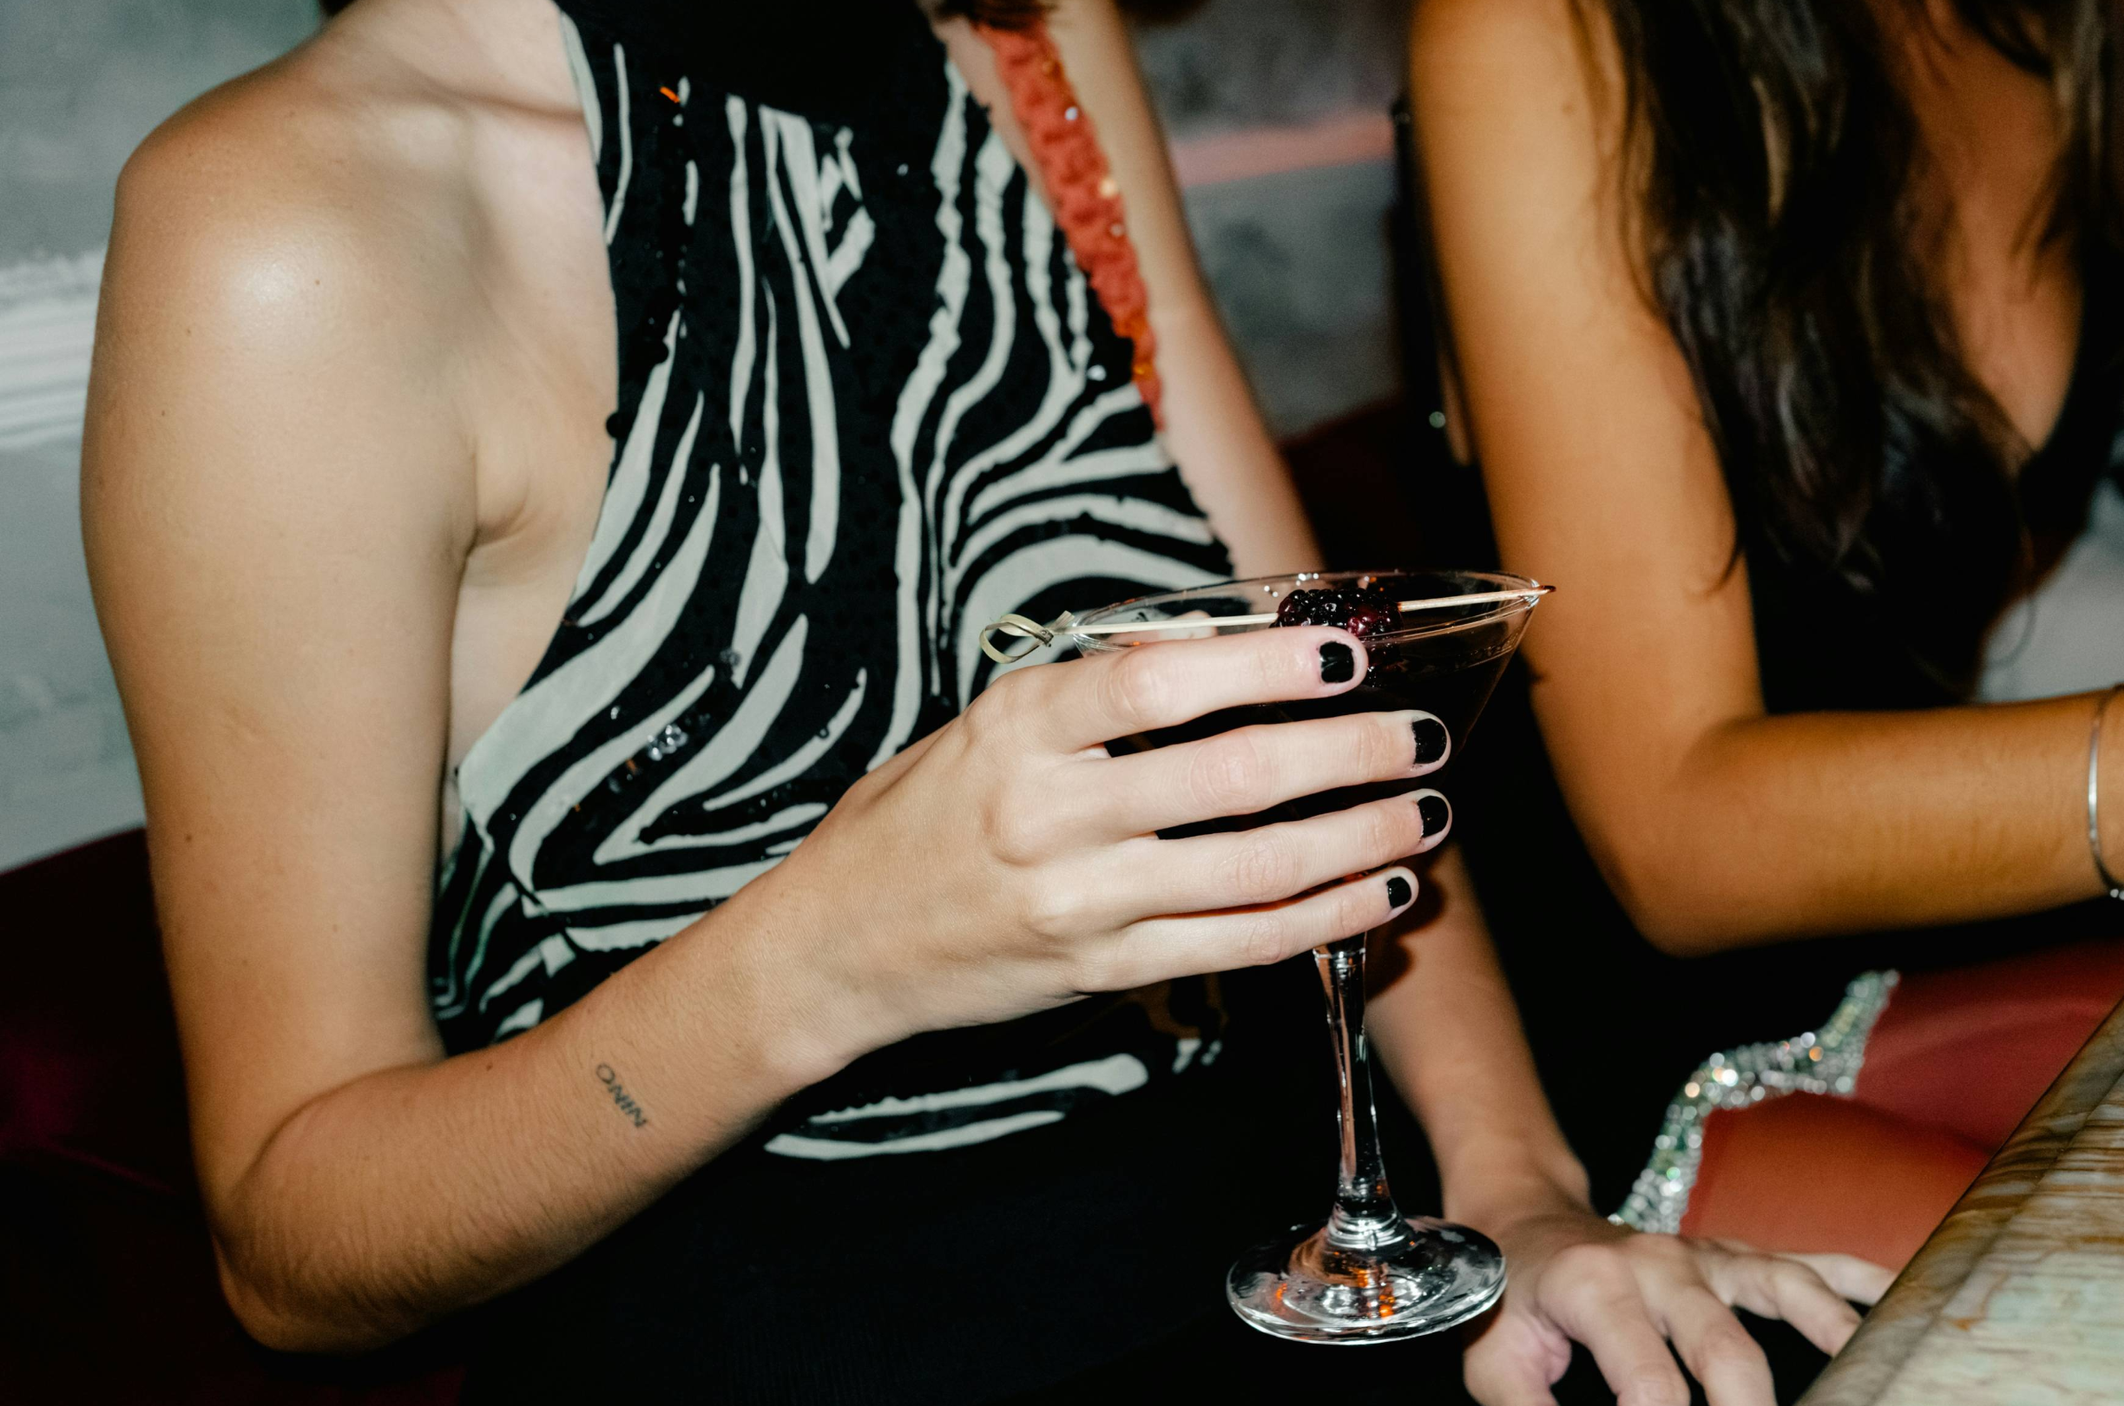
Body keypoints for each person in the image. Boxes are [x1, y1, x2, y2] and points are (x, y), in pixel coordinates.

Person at [81, 0, 1883, 1401]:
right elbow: (289, 1239)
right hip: (791, 1361)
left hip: (1280, 1263)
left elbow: (1329, 697)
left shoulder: (1026, 46)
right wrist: (828, 955)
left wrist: (1512, 1197)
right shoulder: (289, 224)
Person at [1407, 0, 2124, 1268]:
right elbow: (1678, 834)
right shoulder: (1543, 33)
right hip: (1571, 1065)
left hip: (1890, 956)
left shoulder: (2096, 26)